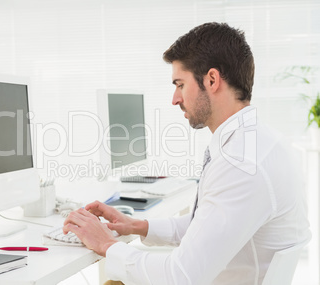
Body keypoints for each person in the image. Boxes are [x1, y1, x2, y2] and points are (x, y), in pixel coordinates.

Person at [63, 22, 311, 284]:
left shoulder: (241, 163)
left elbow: (180, 276)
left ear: (212, 80)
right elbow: (206, 229)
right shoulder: (259, 143)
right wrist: (137, 226)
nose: (175, 98)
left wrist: (106, 245)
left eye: (180, 84)